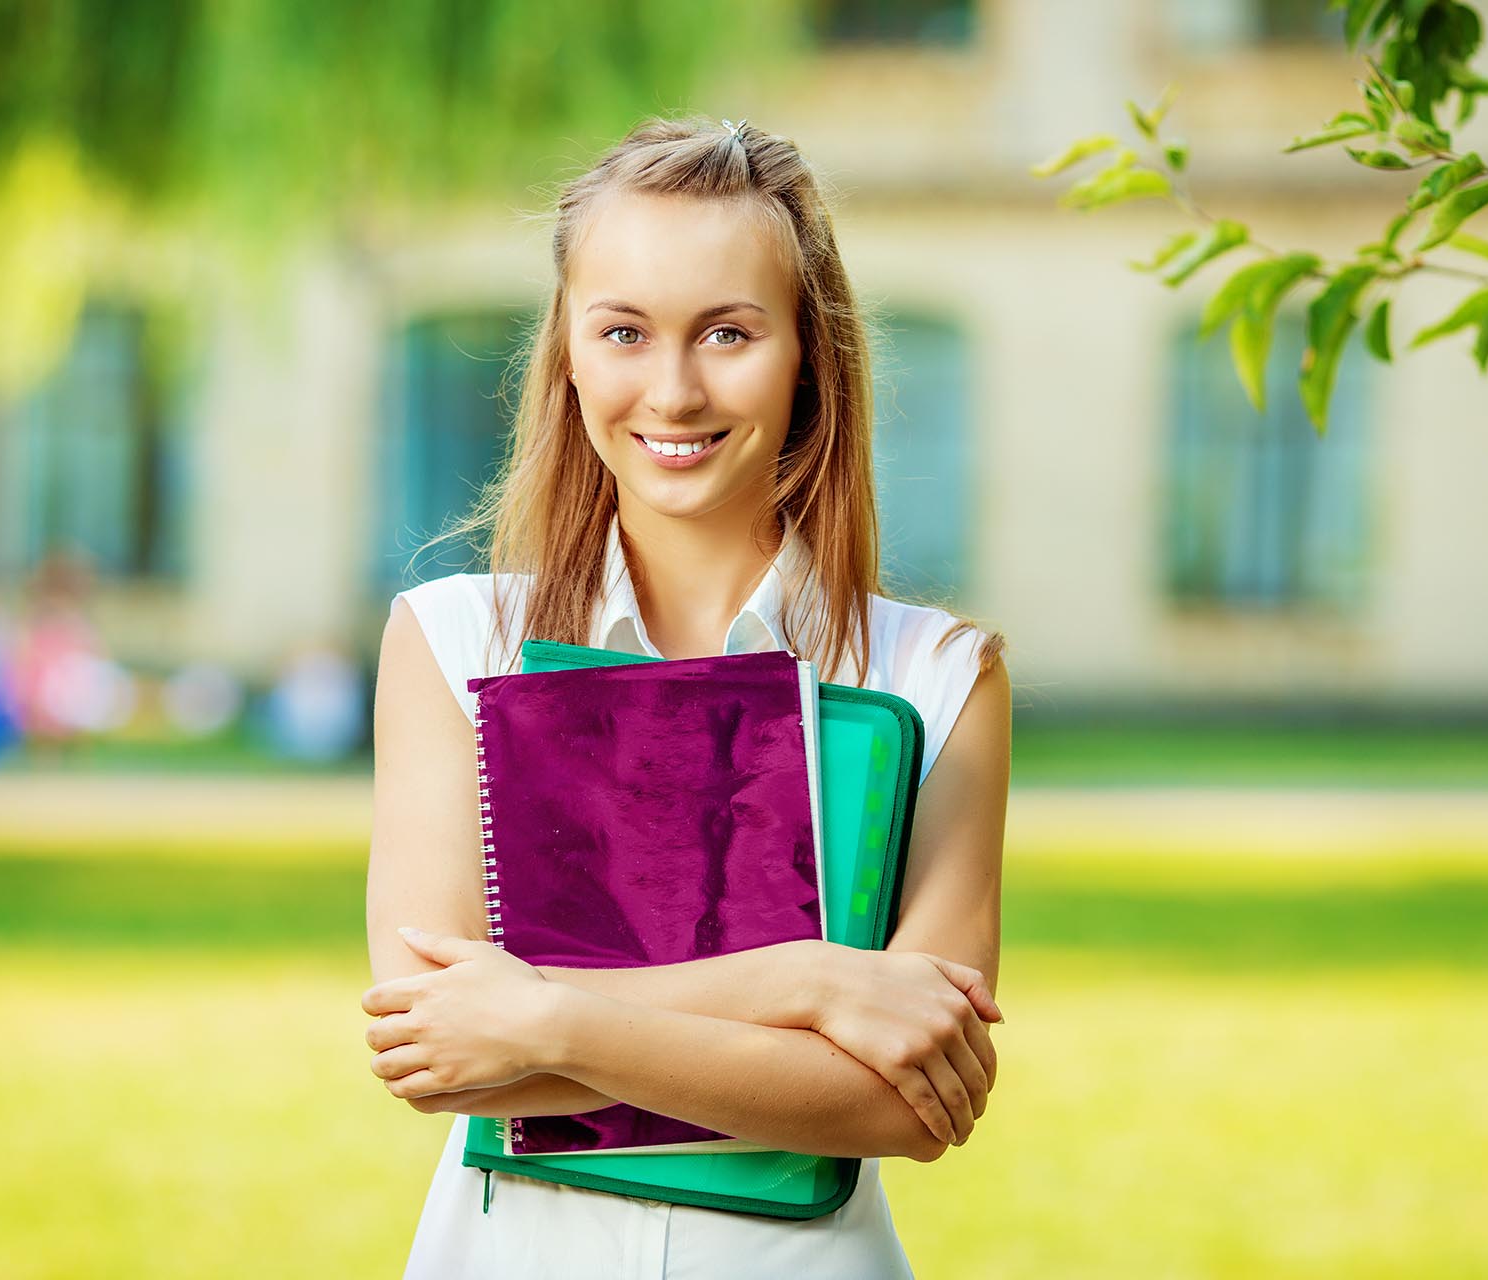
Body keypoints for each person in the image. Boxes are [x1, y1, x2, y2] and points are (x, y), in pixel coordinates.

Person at [362, 114, 1011, 1279]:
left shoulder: (939, 677)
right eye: (623, 331)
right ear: (566, 348)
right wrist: (806, 983)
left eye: (727, 332)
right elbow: (440, 1044)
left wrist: (548, 1021)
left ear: (811, 348)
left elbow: (910, 1104)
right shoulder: (455, 643)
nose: (672, 389)